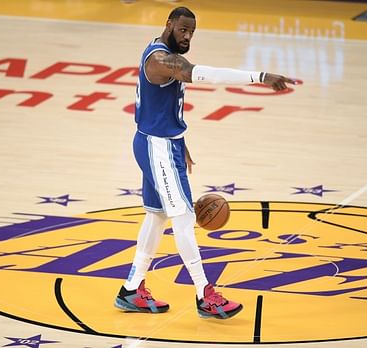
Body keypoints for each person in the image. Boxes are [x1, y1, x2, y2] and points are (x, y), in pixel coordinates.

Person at [114, 6, 300, 319]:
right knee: (184, 218)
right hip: (156, 147)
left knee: (158, 216)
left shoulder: (164, 51)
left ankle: (132, 288)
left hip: (159, 142)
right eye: (183, 29)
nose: (187, 37)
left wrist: (181, 142)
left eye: (192, 32)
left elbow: (165, 105)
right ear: (170, 24)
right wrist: (260, 77)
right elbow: (208, 74)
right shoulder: (161, 60)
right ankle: (205, 295)